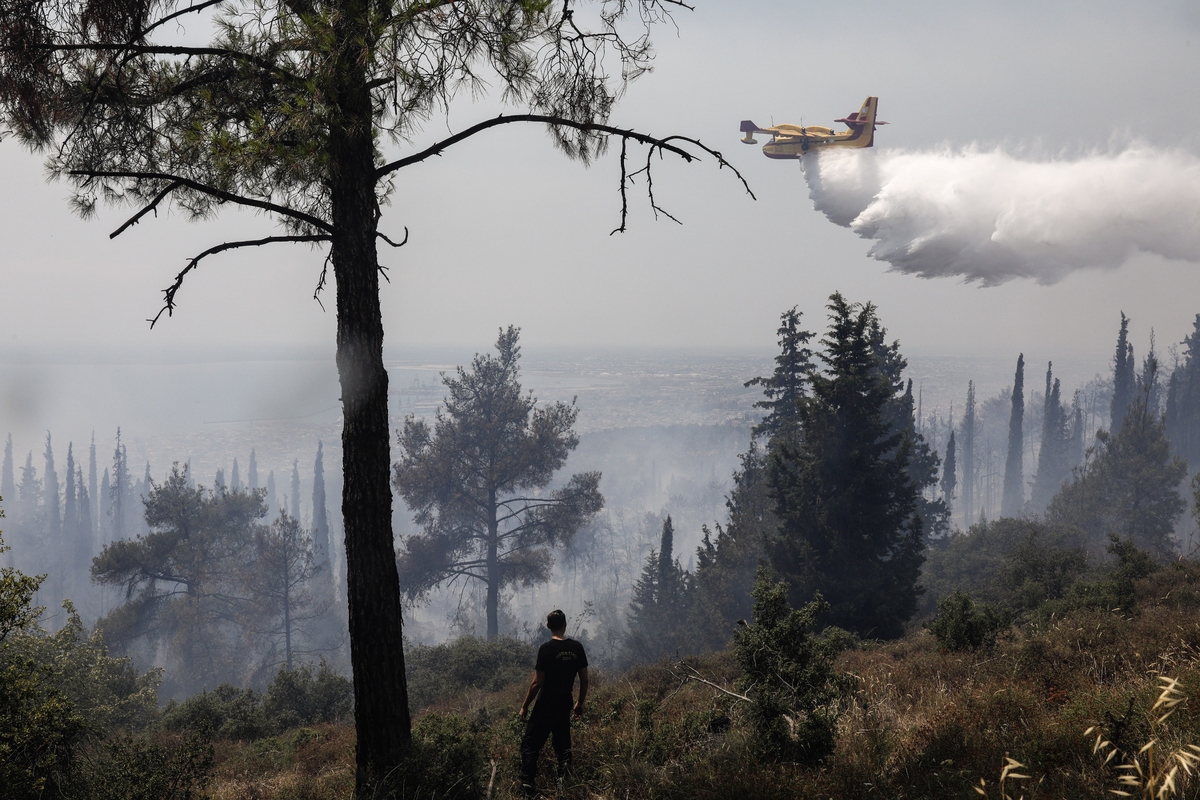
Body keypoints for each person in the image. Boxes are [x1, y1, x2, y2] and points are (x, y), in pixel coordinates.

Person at [518, 609, 588, 798]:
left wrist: (524, 706)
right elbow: (584, 679)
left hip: (545, 705)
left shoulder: (546, 649)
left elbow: (537, 683)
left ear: (548, 626)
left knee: (530, 745)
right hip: (565, 703)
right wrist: (580, 704)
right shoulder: (577, 648)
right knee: (563, 746)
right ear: (565, 625)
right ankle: (563, 785)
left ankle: (527, 786)